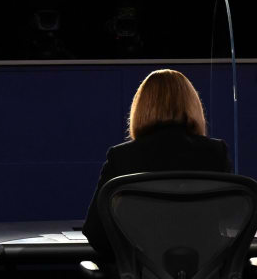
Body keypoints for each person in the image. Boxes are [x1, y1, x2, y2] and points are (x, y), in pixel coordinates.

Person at [82, 69, 233, 259]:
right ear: (194, 106)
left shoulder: (122, 157)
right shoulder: (214, 153)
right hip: (205, 269)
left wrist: (131, 258)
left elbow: (96, 233)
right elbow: (232, 219)